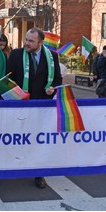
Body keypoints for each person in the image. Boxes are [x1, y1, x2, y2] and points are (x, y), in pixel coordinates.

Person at [8, 27, 62, 189]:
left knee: (39, 140)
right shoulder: (17, 55)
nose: (27, 43)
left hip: (41, 106)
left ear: (41, 42)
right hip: (21, 105)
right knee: (20, 138)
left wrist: (53, 87)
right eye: (26, 39)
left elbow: (58, 79)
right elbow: (8, 79)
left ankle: (39, 173)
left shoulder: (52, 56)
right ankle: (15, 165)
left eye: (31, 41)